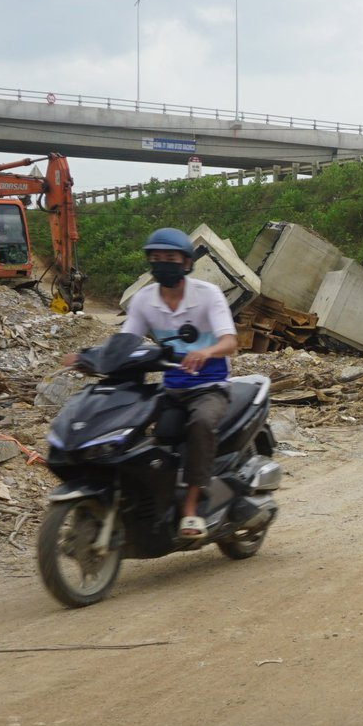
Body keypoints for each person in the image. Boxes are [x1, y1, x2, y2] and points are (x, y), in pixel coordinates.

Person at [121, 228, 240, 539]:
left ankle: (190, 509)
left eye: (170, 258)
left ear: (186, 263)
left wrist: (207, 351)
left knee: (200, 424)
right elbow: (125, 342)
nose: (163, 264)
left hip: (210, 387)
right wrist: (88, 358)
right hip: (171, 388)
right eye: (156, 258)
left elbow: (230, 341)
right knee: (135, 430)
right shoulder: (144, 300)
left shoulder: (207, 295)